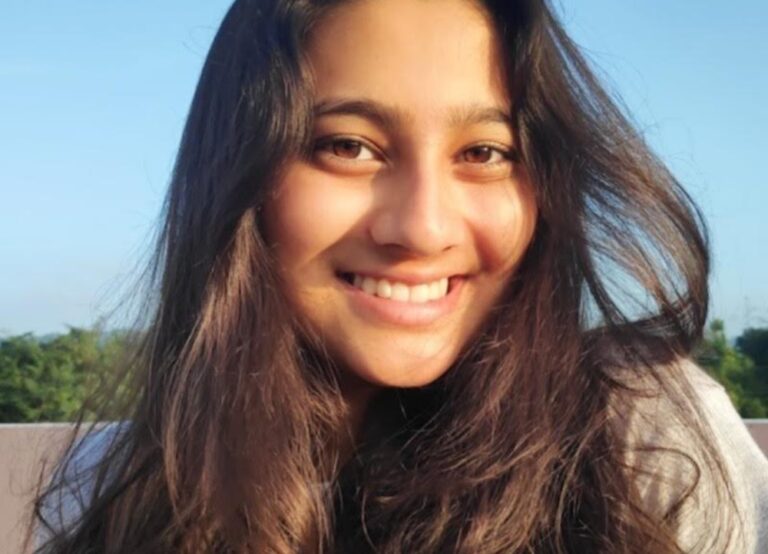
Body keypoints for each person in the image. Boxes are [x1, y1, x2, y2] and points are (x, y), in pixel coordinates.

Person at [31, 0, 768, 552]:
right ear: (237, 173)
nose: (422, 228)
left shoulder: (644, 441)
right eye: (348, 146)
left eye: (484, 153)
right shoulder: (114, 490)